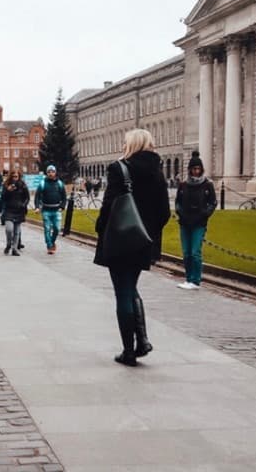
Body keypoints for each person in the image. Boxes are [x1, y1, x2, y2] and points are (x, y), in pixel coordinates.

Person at [93, 129, 170, 367]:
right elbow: (165, 213)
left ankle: (129, 351)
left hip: (120, 239)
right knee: (131, 288)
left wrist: (101, 228)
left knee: (123, 293)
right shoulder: (158, 172)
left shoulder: (120, 168)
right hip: (143, 241)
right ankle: (143, 340)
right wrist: (148, 231)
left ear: (132, 144)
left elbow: (108, 207)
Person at [174, 151, 217, 289]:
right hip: (185, 222)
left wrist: (205, 214)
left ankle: (195, 280)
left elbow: (213, 202)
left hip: (199, 222)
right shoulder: (183, 185)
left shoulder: (207, 185)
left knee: (195, 252)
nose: (196, 171)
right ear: (190, 170)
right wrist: (180, 213)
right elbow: (178, 202)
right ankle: (188, 278)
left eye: (198, 169)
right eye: (194, 169)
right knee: (186, 253)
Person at [34, 165, 67, 254]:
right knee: (47, 229)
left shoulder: (59, 184)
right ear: (46, 173)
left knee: (57, 228)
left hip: (57, 210)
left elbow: (64, 197)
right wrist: (37, 207)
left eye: (52, 172)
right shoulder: (42, 184)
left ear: (55, 173)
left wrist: (62, 207)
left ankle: (52, 241)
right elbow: (37, 197)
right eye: (49, 172)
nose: (51, 174)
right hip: (46, 210)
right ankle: (49, 246)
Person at [1, 170, 29, 256]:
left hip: (19, 210)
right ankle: (9, 244)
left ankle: (14, 249)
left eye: (16, 177)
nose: (15, 179)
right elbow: (2, 198)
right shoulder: (6, 185)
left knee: (17, 231)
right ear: (10, 177)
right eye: (13, 177)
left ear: (19, 177)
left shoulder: (23, 186)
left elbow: (27, 198)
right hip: (9, 210)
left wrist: (23, 205)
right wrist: (8, 190)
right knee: (9, 229)